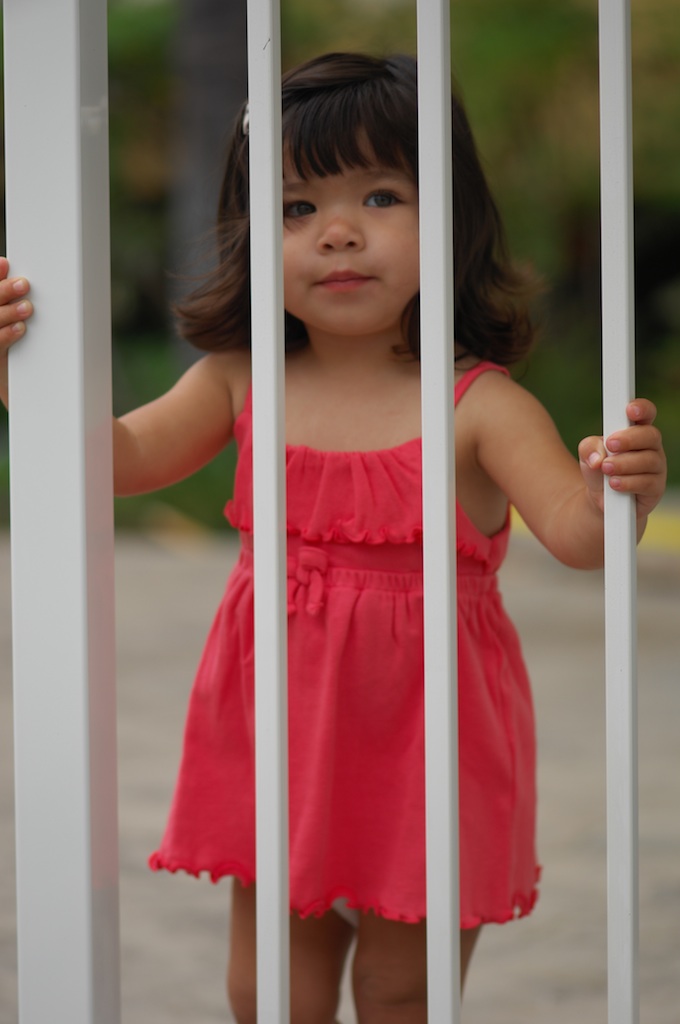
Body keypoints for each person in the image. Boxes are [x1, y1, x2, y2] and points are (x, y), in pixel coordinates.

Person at [0, 52, 666, 1024]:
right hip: (281, 724)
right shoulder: (240, 379)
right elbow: (117, 457)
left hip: (425, 737)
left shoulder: (478, 404)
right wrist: (30, 380)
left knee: (396, 990)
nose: (338, 232)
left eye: (381, 194)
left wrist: (618, 491)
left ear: (453, 219)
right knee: (270, 986)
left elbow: (575, 535)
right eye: (295, 209)